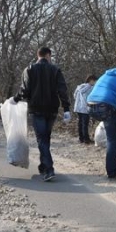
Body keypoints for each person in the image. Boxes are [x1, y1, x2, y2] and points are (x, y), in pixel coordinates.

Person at [11, 47, 71, 182]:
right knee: (46, 138)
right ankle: (44, 166)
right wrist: (66, 108)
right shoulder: (55, 70)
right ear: (48, 55)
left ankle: (49, 169)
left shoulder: (30, 69)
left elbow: (25, 90)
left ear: (38, 55)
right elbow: (63, 90)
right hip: (52, 109)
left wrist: (15, 99)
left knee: (42, 139)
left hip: (36, 109)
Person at [87, 63, 116, 180]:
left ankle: (111, 167)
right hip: (105, 107)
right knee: (113, 139)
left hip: (90, 106)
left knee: (110, 126)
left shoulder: (106, 75)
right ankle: (112, 172)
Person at [73, 75, 97, 144]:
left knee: (80, 123)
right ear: (91, 80)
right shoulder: (89, 87)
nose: (95, 82)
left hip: (78, 108)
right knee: (85, 124)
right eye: (95, 81)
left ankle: (81, 138)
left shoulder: (80, 86)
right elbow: (89, 98)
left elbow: (74, 95)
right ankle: (86, 139)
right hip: (85, 108)